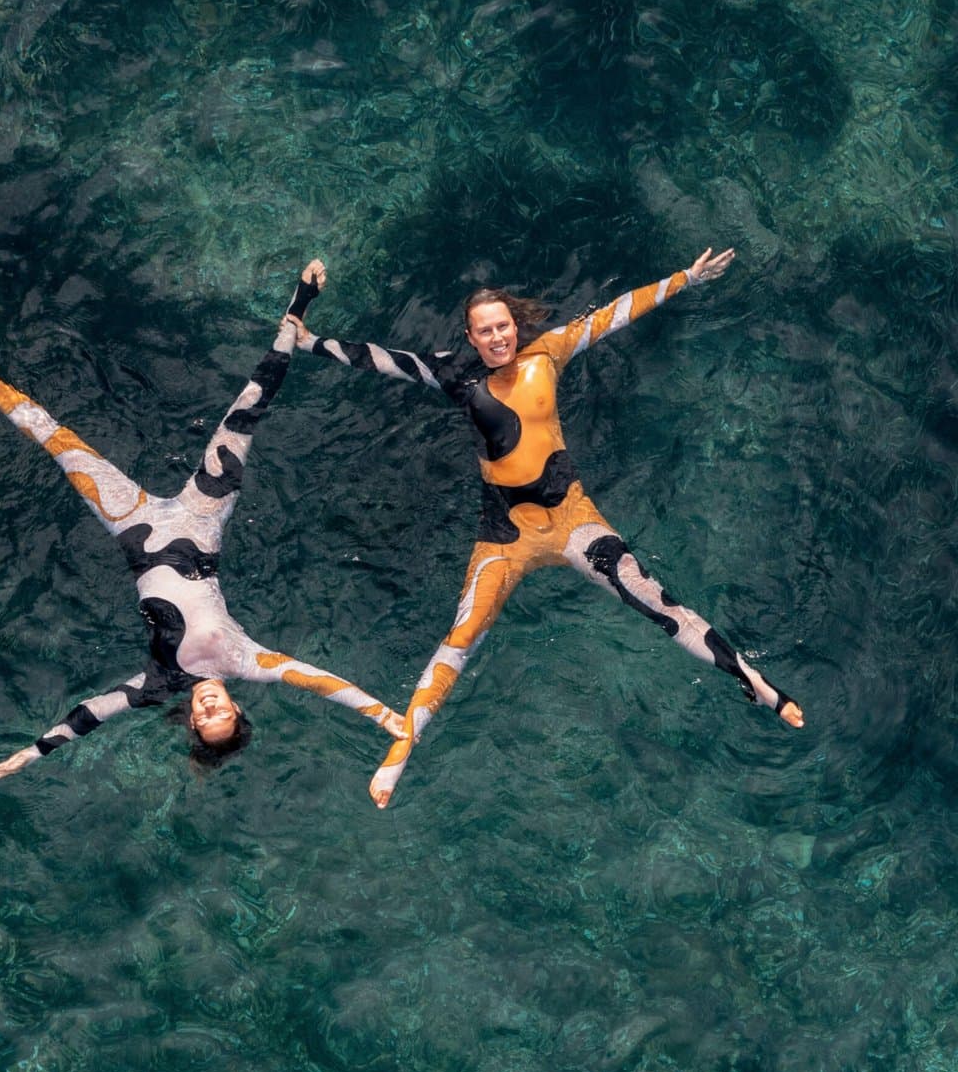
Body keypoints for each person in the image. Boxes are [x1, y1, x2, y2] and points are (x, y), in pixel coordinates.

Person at [291, 248, 804, 807]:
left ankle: (755, 684)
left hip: (572, 521)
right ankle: (403, 745)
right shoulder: (455, 375)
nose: (497, 338)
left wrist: (687, 278)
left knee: (653, 599)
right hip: (505, 535)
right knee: (462, 635)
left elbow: (613, 314)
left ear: (515, 326)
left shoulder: (548, 352)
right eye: (485, 331)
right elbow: (380, 359)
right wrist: (309, 340)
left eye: (503, 327)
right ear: (470, 337)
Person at [0, 260, 404, 781]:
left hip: (134, 530)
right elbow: (319, 681)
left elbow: (91, 714)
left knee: (54, 440)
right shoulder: (246, 660)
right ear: (236, 706)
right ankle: (297, 311)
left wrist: (34, 752)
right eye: (223, 715)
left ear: (192, 722)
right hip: (202, 521)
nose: (211, 710)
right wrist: (383, 716)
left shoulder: (159, 683)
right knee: (246, 411)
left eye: (204, 721)